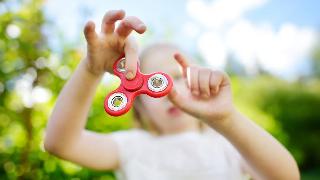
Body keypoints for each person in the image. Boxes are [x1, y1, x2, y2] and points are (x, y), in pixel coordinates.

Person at [44, 10, 300, 180]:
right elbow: (60, 144)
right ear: (139, 105)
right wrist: (91, 70)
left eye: (177, 77)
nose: (168, 90)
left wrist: (227, 120)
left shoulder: (225, 144)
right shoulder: (131, 146)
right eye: (154, 83)